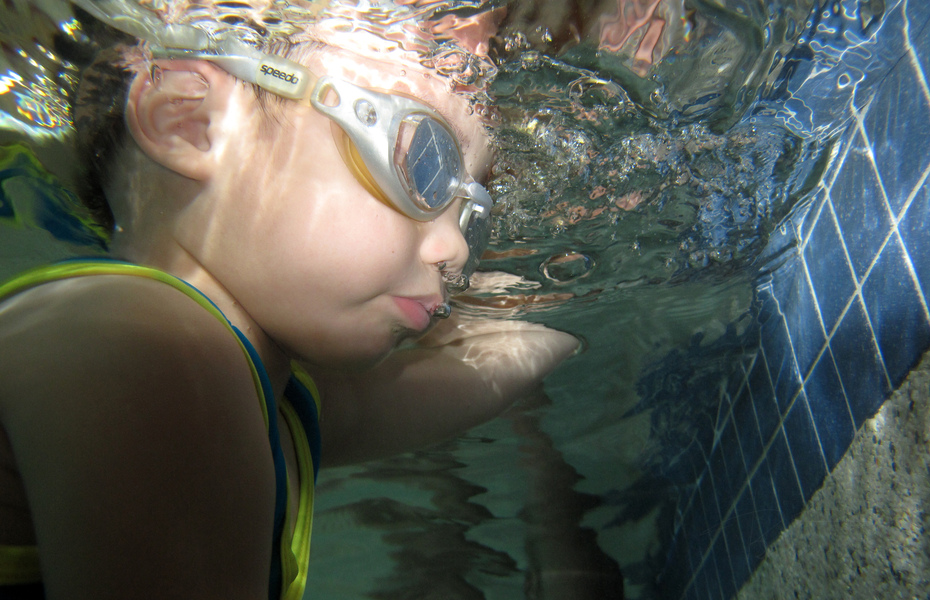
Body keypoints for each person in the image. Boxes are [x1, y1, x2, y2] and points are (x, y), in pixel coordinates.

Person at [0, 2, 579, 599]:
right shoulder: (153, 356)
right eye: (424, 165)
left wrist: (555, 320)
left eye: (472, 215)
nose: (456, 248)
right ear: (189, 119)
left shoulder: (255, 393)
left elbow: (419, 395)